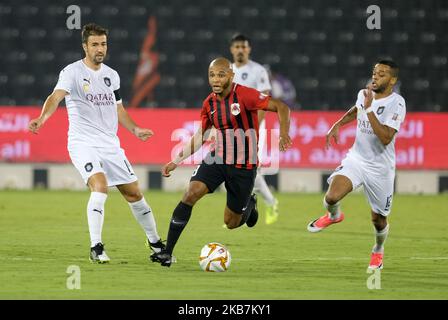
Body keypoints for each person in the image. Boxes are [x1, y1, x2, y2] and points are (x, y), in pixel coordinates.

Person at [28, 23, 166, 263]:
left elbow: (119, 109)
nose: (100, 48)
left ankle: (155, 243)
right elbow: (55, 97)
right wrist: (42, 118)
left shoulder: (112, 76)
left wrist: (135, 129)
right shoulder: (71, 72)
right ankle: (96, 247)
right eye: (95, 44)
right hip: (83, 143)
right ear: (85, 46)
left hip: (110, 145)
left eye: (103, 44)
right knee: (100, 186)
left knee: (134, 194)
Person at [151, 58, 292, 267]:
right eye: (212, 75)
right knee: (190, 194)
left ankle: (250, 205)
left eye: (221, 74)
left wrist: (283, 134)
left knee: (231, 222)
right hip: (217, 158)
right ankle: (167, 252)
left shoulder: (245, 95)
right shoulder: (209, 103)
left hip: (244, 166)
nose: (215, 79)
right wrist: (176, 161)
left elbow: (281, 107)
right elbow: (200, 136)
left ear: (231, 76)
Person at [307, 60, 406, 270]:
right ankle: (334, 216)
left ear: (392, 80)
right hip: (357, 159)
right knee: (331, 197)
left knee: (378, 220)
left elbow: (386, 138)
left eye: (381, 74)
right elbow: (357, 109)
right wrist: (338, 124)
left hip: (380, 169)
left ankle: (378, 250)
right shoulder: (364, 95)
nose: (375, 77)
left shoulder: (397, 103)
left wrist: (370, 110)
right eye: (374, 73)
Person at [230, 33, 280, 225]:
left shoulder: (258, 71)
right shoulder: (228, 70)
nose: (240, 50)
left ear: (249, 49)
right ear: (232, 49)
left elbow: (264, 102)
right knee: (235, 170)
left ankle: (257, 205)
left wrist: (253, 128)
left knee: (251, 169)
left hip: (253, 127)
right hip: (232, 128)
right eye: (237, 47)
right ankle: (257, 204)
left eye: (244, 46)